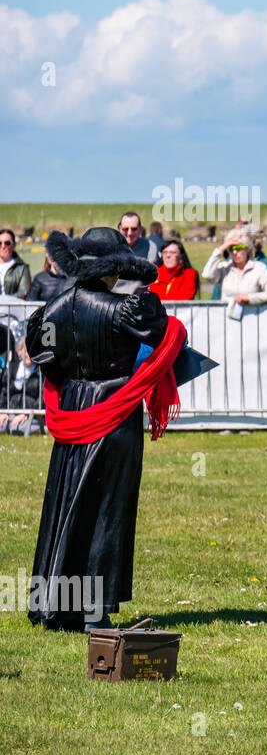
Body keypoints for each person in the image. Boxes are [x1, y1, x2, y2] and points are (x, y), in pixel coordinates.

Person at [25, 228, 183, 631]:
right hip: (114, 416)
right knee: (106, 510)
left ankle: (57, 607)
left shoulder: (50, 310)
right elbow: (164, 334)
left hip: (73, 412)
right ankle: (94, 610)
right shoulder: (129, 308)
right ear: (113, 266)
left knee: (65, 502)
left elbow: (46, 361)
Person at [201, 227, 267, 307]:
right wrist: (221, 249)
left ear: (247, 249)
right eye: (231, 249)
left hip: (252, 316)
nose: (235, 252)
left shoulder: (259, 268)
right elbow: (207, 274)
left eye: (238, 248)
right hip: (225, 317)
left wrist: (249, 298)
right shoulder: (225, 267)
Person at [0, 228, 31, 298]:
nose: (3, 246)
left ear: (14, 245)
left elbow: (23, 292)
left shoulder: (22, 268)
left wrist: (5, 302)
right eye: (0, 243)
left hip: (13, 307)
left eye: (7, 243)